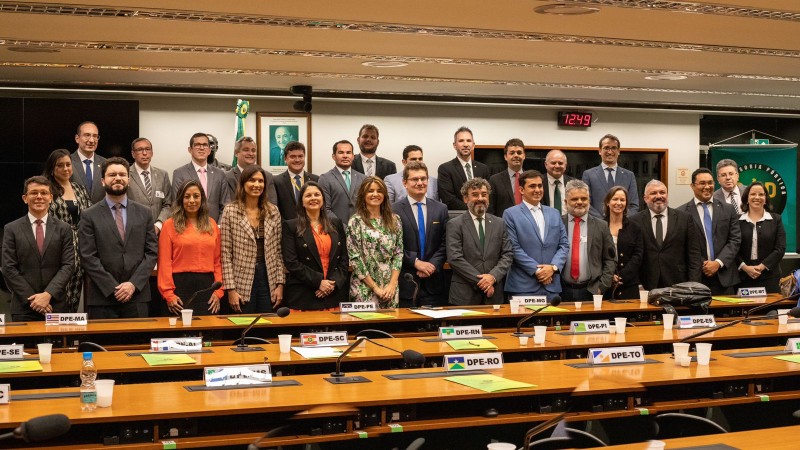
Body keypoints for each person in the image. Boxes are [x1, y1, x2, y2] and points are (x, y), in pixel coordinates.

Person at [79, 157, 158, 319]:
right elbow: (87, 256)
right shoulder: (89, 215)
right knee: (102, 345)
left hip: (137, 296)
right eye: (112, 174)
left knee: (138, 345)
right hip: (102, 298)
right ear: (103, 181)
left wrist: (132, 285)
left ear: (128, 180)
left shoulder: (145, 213)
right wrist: (112, 287)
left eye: (122, 174)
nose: (118, 178)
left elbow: (151, 253)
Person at [2, 176, 74, 321]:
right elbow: (8, 268)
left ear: (50, 198)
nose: (39, 197)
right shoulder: (11, 229)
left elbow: (68, 265)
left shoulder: (64, 229)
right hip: (24, 307)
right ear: (25, 198)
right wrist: (34, 300)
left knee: (60, 345)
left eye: (44, 193)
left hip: (55, 305)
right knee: (26, 344)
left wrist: (48, 294)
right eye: (34, 193)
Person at [220, 165, 285, 314]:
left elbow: (278, 252)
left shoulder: (273, 211)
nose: (257, 185)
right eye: (252, 180)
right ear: (243, 183)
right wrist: (230, 289)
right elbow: (225, 253)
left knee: (266, 325)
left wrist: (280, 284)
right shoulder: (230, 211)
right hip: (241, 279)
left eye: (260, 181)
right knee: (243, 325)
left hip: (268, 277)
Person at [158, 180, 224, 316]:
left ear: (202, 199)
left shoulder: (212, 224)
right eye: (187, 196)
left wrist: (219, 291)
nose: (192, 200)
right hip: (179, 289)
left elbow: (218, 262)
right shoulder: (169, 225)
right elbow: (164, 263)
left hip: (208, 288)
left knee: (208, 333)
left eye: (196, 196)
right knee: (181, 335)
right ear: (181, 199)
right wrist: (168, 294)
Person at [282, 181, 349, 310]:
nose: (313, 198)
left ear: (323, 200)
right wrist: (319, 282)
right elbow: (291, 262)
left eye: (317, 194)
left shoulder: (336, 223)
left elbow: (344, 259)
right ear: (301, 202)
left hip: (333, 293)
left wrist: (331, 284)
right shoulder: (291, 226)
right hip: (304, 293)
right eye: (308, 195)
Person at [446, 177, 513, 305]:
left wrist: (492, 277)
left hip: (494, 295)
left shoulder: (499, 223)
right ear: (466, 199)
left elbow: (507, 255)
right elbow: (455, 258)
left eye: (484, 194)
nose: (480, 198)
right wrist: (483, 282)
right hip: (465, 295)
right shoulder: (454, 224)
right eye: (475, 195)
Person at [503, 170, 569, 298]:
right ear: (521, 190)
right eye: (532, 186)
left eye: (540, 185)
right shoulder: (510, 214)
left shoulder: (554, 213)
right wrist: (538, 271)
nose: (537, 190)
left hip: (552, 287)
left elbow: (564, 245)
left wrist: (553, 267)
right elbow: (513, 248)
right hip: (523, 286)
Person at [392, 162, 448, 307]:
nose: (420, 183)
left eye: (423, 179)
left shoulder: (441, 209)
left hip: (434, 282)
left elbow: (445, 243)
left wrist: (432, 266)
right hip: (406, 281)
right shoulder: (393, 210)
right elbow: (392, 245)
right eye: (414, 179)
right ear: (405, 182)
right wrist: (416, 262)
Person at [43, 148, 92, 313]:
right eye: (60, 165)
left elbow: (90, 215)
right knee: (59, 291)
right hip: (57, 247)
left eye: (68, 165)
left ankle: (69, 331)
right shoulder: (46, 190)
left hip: (81, 248)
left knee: (75, 292)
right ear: (52, 168)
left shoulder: (79, 188)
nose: (65, 169)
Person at [680, 168, 741, 295]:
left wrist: (717, 263)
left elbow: (735, 240)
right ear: (692, 186)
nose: (707, 187)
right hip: (696, 278)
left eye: (710, 183)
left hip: (725, 277)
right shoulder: (681, 213)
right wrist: (704, 264)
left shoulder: (728, 209)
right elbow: (681, 245)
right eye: (702, 183)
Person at [633, 180, 702, 290]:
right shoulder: (634, 221)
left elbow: (694, 254)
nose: (658, 196)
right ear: (645, 198)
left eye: (662, 192)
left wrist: (693, 284)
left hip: (679, 283)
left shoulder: (684, 218)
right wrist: (637, 284)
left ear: (667, 195)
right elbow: (632, 257)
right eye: (653, 193)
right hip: (646, 284)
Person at [347, 177, 403, 308]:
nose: (375, 194)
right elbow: (355, 259)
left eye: (379, 191)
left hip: (390, 288)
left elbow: (398, 254)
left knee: (390, 327)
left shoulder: (395, 220)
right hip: (364, 287)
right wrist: (375, 288)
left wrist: (392, 284)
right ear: (363, 195)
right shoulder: (355, 222)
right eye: (370, 191)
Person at [559, 180, 616, 302]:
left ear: (589, 201)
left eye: (584, 199)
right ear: (565, 202)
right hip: (562, 291)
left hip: (592, 291)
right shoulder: (557, 223)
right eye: (575, 199)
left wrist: (602, 286)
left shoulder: (602, 226)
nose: (580, 202)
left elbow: (610, 259)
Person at [737, 182, 786, 293]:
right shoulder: (736, 221)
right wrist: (744, 267)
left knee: (770, 310)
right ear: (746, 197)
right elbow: (732, 247)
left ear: (766, 198)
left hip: (770, 277)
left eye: (761, 194)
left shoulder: (776, 219)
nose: (757, 197)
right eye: (753, 194)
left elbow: (780, 248)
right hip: (742, 277)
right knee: (744, 310)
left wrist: (761, 267)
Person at [172, 132, 231, 221]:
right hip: (188, 229)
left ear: (209, 150)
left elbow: (226, 205)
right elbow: (177, 205)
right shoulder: (179, 173)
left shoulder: (220, 174)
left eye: (205, 145)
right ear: (190, 149)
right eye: (197, 145)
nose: (201, 148)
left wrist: (218, 226)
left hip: (215, 228)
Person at [582, 134, 639, 218]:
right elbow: (586, 202)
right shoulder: (588, 174)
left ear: (619, 151)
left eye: (613, 148)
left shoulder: (629, 175)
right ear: (600, 151)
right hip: (597, 226)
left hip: (623, 226)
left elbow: (634, 205)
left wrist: (621, 220)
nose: (610, 151)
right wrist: (602, 222)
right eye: (606, 148)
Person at [603, 186, 643, 300]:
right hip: (605, 284)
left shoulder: (635, 227)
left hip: (629, 284)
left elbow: (638, 255)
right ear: (607, 202)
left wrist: (622, 276)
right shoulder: (599, 226)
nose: (619, 203)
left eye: (622, 200)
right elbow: (595, 255)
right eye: (615, 199)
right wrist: (609, 276)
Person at [126, 138, 173, 236]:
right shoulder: (125, 175)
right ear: (133, 154)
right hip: (134, 231)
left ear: (152, 153)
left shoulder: (162, 175)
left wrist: (159, 224)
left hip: (160, 232)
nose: (144, 153)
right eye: (140, 150)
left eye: (147, 149)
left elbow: (168, 204)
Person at [437, 126, 490, 210]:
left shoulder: (483, 168)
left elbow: (487, 195)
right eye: (461, 141)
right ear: (455, 145)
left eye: (468, 141)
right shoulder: (445, 169)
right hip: (458, 217)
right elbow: (448, 199)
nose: (465, 144)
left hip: (481, 214)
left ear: (473, 145)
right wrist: (472, 210)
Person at [319, 140, 365, 224]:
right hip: (335, 230)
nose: (345, 156)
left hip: (360, 230)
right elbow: (325, 209)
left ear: (353, 156)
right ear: (333, 156)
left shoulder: (363, 178)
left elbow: (367, 206)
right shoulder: (325, 179)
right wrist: (342, 228)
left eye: (348, 152)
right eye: (341, 152)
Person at [274, 141, 319, 221]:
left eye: (300, 156)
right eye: (293, 156)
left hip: (312, 226)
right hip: (286, 229)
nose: (297, 160)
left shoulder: (315, 180)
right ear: (285, 159)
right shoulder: (277, 181)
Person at [225, 136, 277, 204]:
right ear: (236, 153)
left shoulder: (267, 176)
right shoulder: (227, 177)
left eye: (253, 150)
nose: (250, 153)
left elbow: (272, 204)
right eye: (246, 150)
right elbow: (228, 204)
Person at [70, 121, 106, 204]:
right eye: (87, 135)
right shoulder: (67, 162)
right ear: (77, 138)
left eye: (95, 136)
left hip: (100, 214)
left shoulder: (106, 163)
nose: (91, 140)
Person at [488, 138, 525, 217]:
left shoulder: (531, 179)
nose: (516, 155)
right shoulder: (494, 180)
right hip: (503, 226)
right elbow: (490, 210)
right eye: (512, 153)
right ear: (505, 156)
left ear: (524, 156)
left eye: (519, 153)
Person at [542, 149, 573, 214]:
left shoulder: (573, 183)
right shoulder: (539, 183)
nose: (557, 166)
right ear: (546, 164)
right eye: (553, 163)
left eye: (560, 163)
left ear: (565, 165)